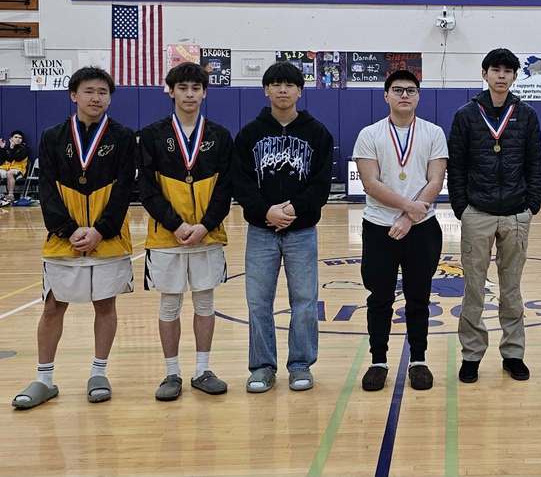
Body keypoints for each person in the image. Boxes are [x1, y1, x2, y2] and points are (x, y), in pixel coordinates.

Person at [11, 67, 135, 409]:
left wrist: (100, 230)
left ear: (109, 98)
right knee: (52, 306)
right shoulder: (53, 136)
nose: (96, 98)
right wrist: (67, 229)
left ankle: (99, 372)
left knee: (105, 304)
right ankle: (44, 379)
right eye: (89, 91)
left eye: (103, 92)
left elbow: (125, 190)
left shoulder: (123, 136)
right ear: (73, 95)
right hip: (63, 237)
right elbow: (46, 190)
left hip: (107, 236)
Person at [234, 62, 334, 394]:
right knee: (258, 301)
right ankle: (262, 367)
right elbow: (241, 182)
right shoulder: (250, 133)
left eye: (289, 85)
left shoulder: (317, 132)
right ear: (265, 90)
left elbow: (321, 185)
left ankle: (300, 364)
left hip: (301, 230)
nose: (282, 90)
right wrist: (266, 211)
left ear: (299, 91)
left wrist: (293, 208)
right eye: (275, 84)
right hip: (261, 230)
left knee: (304, 300)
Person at [447, 48, 541, 384]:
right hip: (478, 213)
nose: (501, 75)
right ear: (484, 74)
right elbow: (456, 165)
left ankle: (513, 353)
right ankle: (472, 355)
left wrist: (532, 204)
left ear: (515, 76)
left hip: (516, 213)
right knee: (474, 289)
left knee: (512, 289)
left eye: (507, 70)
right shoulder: (466, 115)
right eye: (495, 70)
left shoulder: (527, 115)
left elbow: (535, 163)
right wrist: (462, 207)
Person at [138, 62, 233, 401]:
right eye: (183, 88)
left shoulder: (220, 135)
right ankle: (171, 373)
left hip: (208, 235)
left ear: (204, 93)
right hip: (167, 236)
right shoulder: (151, 135)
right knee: (170, 304)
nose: (190, 94)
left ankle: (202, 370)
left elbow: (226, 188)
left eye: (196, 88)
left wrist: (205, 225)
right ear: (171, 91)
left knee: (206, 302)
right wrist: (176, 224)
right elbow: (146, 189)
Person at [354, 70, 448, 392]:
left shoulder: (434, 133)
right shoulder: (369, 134)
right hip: (379, 226)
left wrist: (409, 217)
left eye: (410, 90)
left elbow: (435, 180)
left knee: (419, 297)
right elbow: (370, 183)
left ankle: (419, 360)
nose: (404, 95)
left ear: (419, 96)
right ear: (386, 95)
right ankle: (378, 360)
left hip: (422, 228)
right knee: (379, 297)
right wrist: (407, 208)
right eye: (398, 90)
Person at [0, 129, 29, 205]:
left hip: (19, 169)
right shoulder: (7, 148)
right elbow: (3, 159)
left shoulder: (24, 149)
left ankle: (10, 195)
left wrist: (12, 148)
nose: (18, 139)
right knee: (7, 172)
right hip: (6, 168)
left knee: (10, 173)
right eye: (16, 137)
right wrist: (2, 149)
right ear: (11, 139)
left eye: (20, 138)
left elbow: (17, 158)